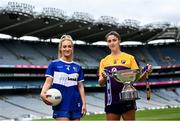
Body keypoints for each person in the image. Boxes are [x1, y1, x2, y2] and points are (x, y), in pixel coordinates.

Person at [98, 31, 152, 121]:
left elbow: (138, 78)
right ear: (107, 43)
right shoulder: (104, 61)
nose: (112, 43)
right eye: (109, 41)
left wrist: (147, 72)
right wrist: (103, 77)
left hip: (128, 98)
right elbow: (100, 83)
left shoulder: (129, 58)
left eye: (114, 40)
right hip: (111, 101)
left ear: (119, 41)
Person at [40, 35, 87, 121]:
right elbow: (48, 82)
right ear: (60, 49)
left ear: (72, 48)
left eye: (69, 46)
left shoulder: (78, 67)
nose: (67, 49)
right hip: (60, 104)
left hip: (76, 104)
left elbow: (80, 86)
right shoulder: (54, 64)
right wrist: (42, 93)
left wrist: (84, 104)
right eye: (64, 46)